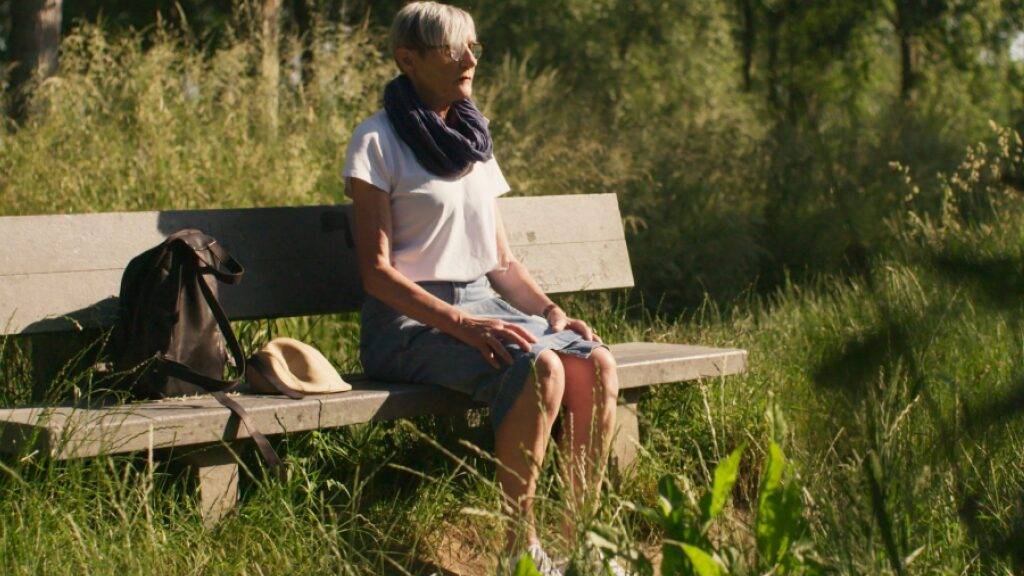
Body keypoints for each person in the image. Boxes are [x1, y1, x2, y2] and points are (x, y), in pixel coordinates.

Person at [342, 3, 620, 574]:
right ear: (408, 59)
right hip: (409, 324)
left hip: (482, 304)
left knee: (596, 363)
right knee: (540, 368)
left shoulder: (472, 139)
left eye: (473, 46)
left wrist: (551, 311)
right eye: (453, 48)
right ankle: (521, 552)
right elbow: (376, 274)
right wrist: (464, 325)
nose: (470, 58)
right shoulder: (374, 142)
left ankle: (583, 545)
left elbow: (500, 260)